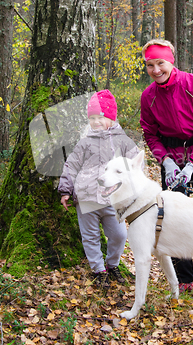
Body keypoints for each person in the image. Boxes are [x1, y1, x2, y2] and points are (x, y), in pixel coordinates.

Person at [140, 39, 193, 297]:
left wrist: (191, 165)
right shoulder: (148, 96)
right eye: (150, 65)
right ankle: (183, 279)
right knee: (174, 220)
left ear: (171, 61)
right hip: (171, 159)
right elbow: (149, 133)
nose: (156, 70)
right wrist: (165, 161)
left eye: (160, 63)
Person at [58, 89, 139, 289]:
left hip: (112, 199)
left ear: (111, 118)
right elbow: (71, 165)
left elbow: (136, 163)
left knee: (120, 235)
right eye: (92, 118)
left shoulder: (122, 141)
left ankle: (113, 265)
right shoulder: (85, 142)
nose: (96, 122)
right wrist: (65, 190)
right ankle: (98, 270)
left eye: (100, 117)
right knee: (91, 236)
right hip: (86, 198)